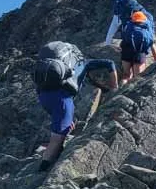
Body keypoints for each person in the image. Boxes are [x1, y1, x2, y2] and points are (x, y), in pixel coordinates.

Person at [32, 42, 118, 171]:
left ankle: (54, 153)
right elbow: (110, 63)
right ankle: (42, 171)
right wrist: (115, 86)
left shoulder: (58, 65)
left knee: (63, 126)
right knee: (57, 137)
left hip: (43, 95)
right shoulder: (85, 63)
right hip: (62, 98)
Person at [105, 0, 156, 65]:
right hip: (144, 27)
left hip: (130, 36)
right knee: (149, 38)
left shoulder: (118, 16)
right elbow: (151, 38)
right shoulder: (143, 13)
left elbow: (111, 32)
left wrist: (109, 43)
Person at [118, 10, 156, 84]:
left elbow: (123, 40)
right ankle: (132, 93)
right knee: (137, 78)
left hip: (126, 52)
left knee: (126, 75)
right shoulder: (146, 27)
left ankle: (121, 89)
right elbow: (151, 42)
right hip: (139, 53)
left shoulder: (128, 25)